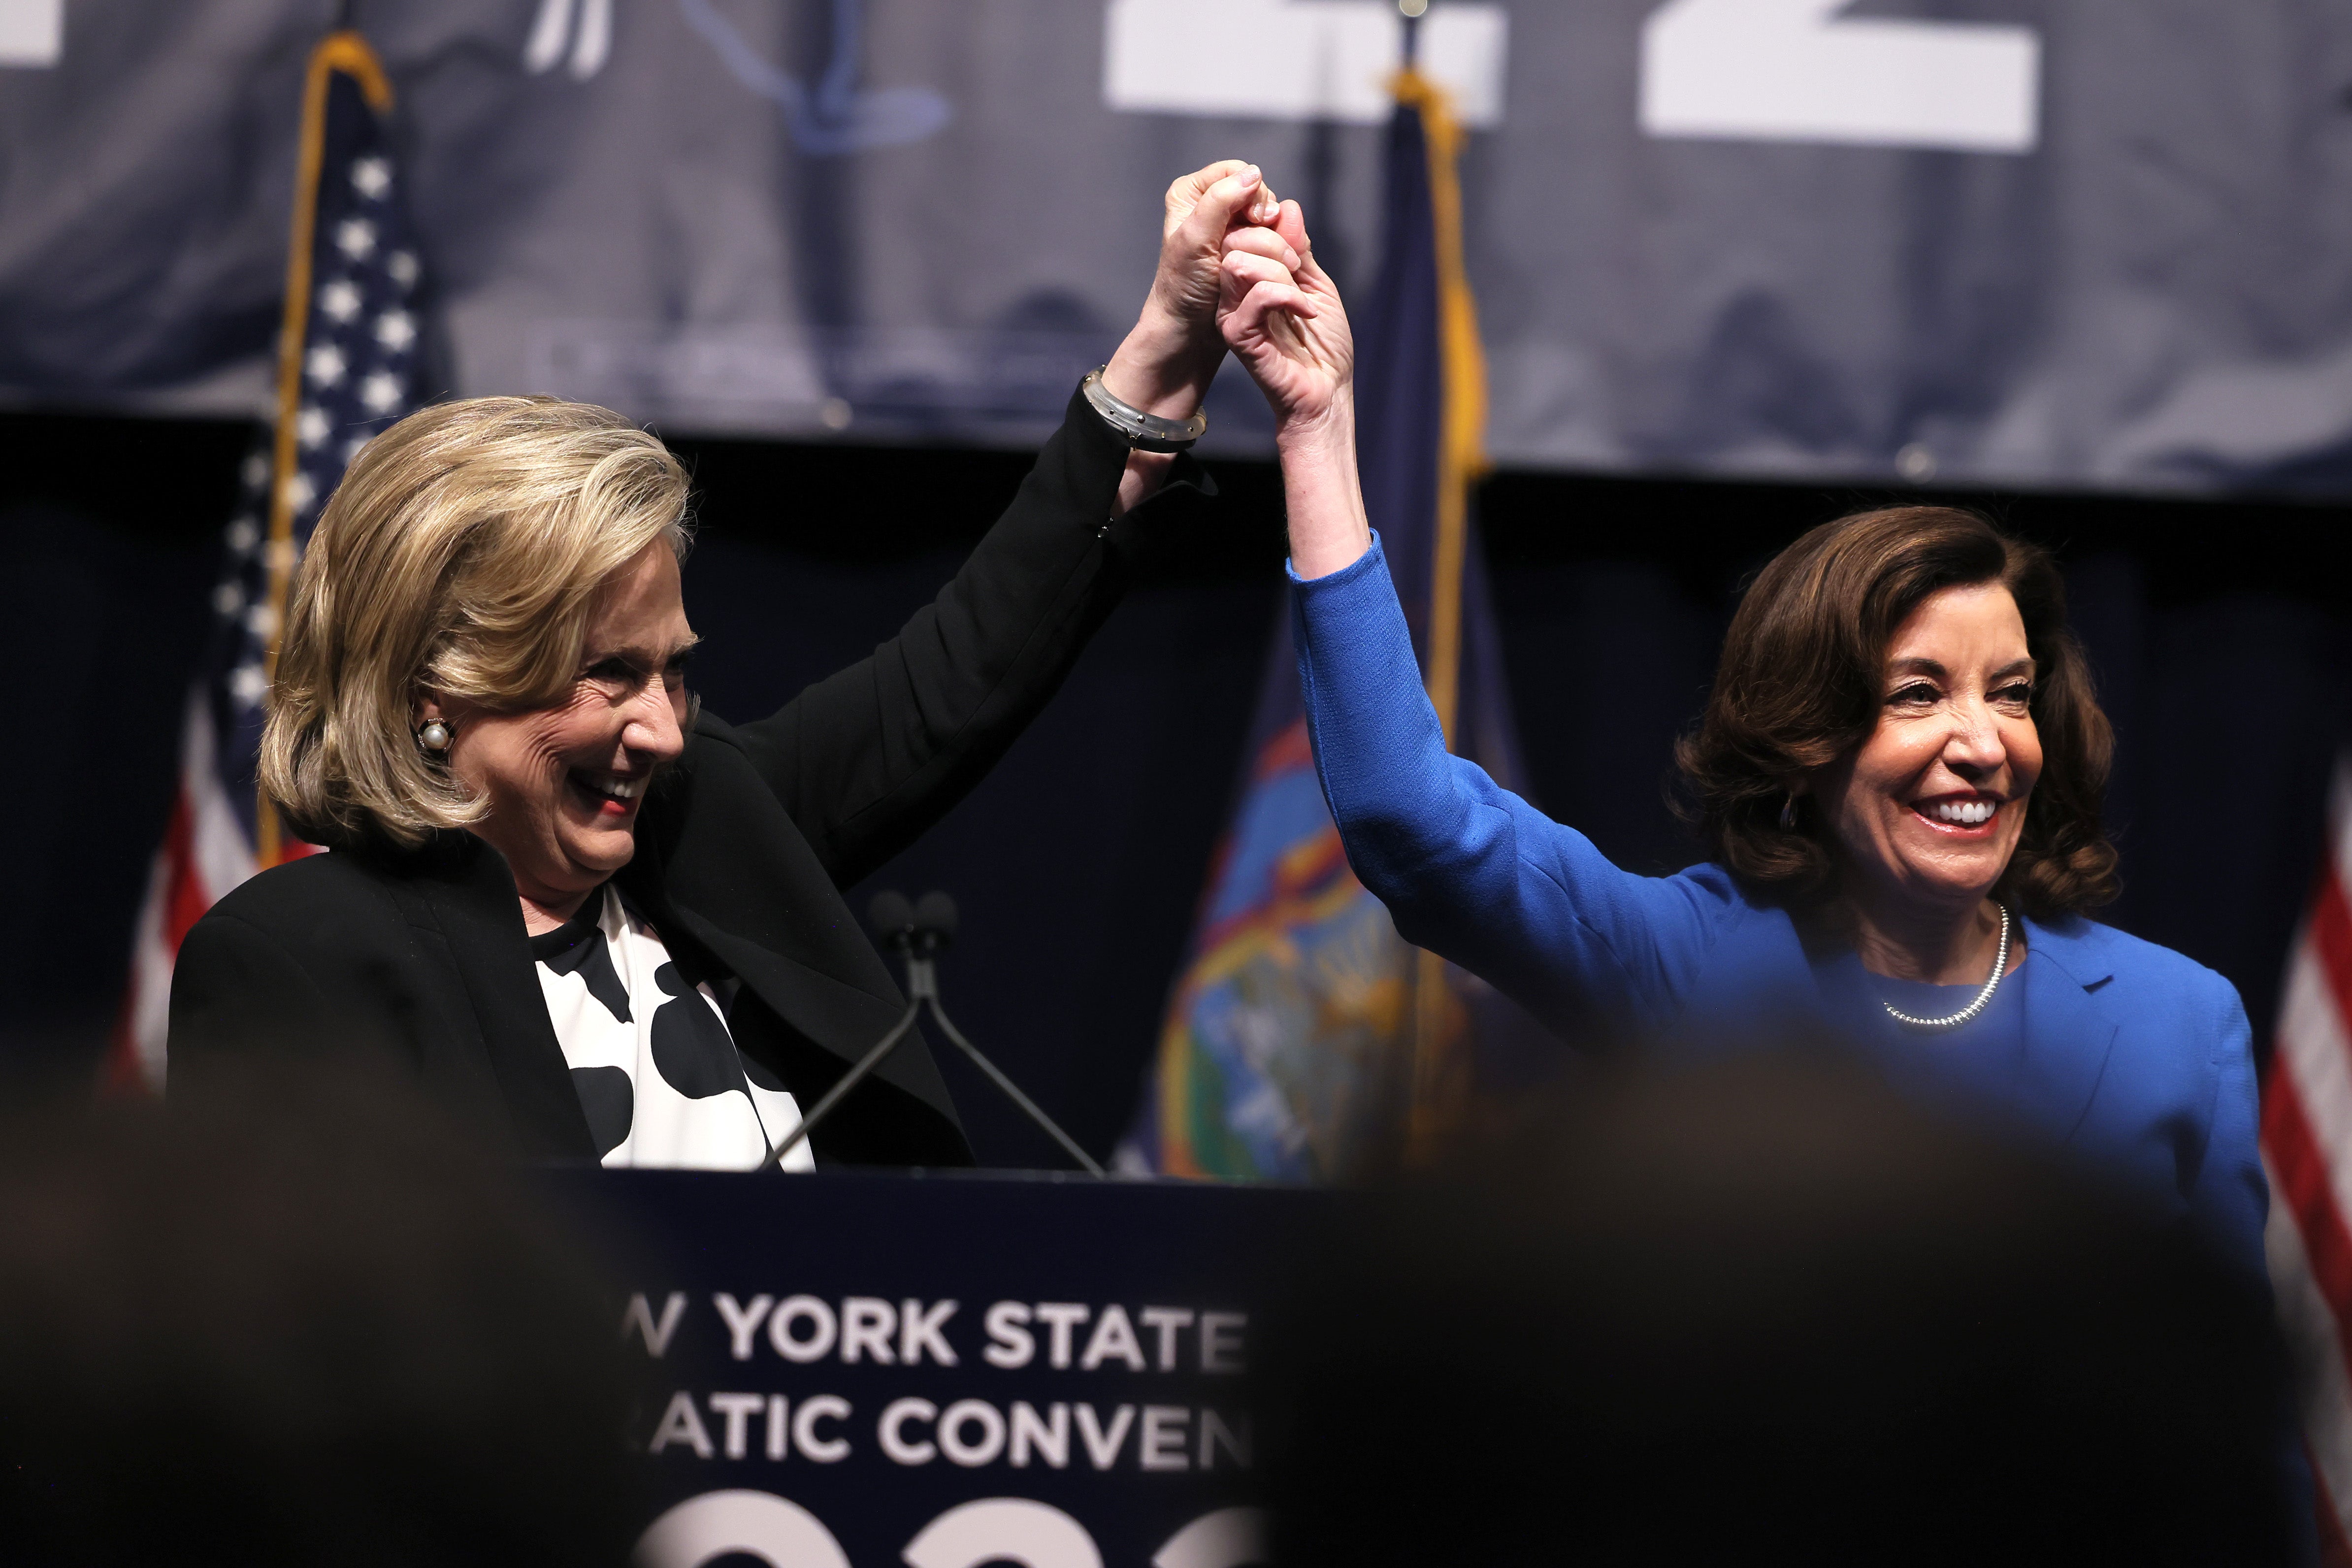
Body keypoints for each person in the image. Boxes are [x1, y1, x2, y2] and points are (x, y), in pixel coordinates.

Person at [1209, 200, 2269, 1281]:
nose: (1983, 742)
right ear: (1806, 736)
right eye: (1916, 693)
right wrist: (1318, 431)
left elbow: (2243, 1427)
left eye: (2009, 693)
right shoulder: (1686, 964)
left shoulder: (2182, 1023)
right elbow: (1405, 813)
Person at [169, 160, 1301, 1171]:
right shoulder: (297, 960)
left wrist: (1161, 354)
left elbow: (955, 676)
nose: (660, 729)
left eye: (671, 671)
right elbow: (289, 1350)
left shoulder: (705, 826)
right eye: (607, 673)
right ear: (437, 680)